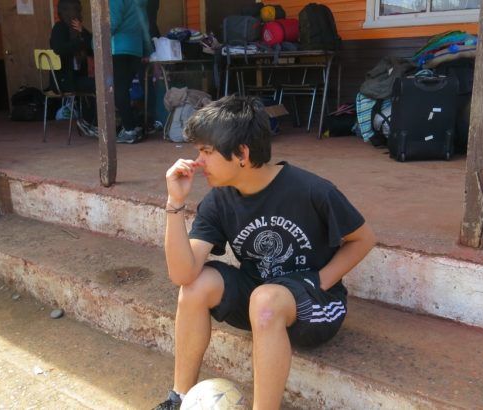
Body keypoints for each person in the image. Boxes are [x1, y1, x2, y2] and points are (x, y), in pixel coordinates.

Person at [156, 96, 376, 410]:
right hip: (260, 299)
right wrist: (174, 203)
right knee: (197, 285)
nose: (198, 162)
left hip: (316, 304)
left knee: (265, 300)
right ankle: (177, 398)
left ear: (242, 154)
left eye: (206, 151)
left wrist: (320, 281)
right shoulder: (219, 201)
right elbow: (182, 274)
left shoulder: (311, 190)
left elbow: (363, 239)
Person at [49, 0, 97, 137]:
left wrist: (83, 32)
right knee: (96, 85)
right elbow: (59, 49)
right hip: (63, 80)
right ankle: (89, 122)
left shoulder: (78, 29)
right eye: (73, 10)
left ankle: (89, 122)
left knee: (97, 83)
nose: (77, 13)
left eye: (78, 10)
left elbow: (94, 46)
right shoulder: (59, 28)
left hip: (76, 77)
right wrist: (80, 41)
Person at [109, 0, 152, 144]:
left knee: (119, 90)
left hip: (118, 48)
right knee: (125, 89)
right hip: (136, 50)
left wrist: (95, 43)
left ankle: (129, 130)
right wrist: (147, 49)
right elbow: (145, 25)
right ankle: (134, 125)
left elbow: (112, 22)